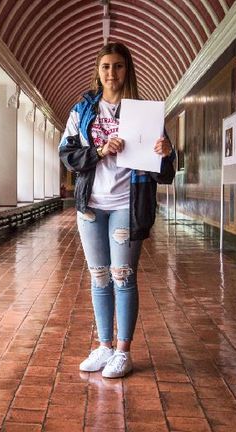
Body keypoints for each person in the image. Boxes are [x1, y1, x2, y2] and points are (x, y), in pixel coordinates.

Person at [58, 42, 175, 378]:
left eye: (119, 66)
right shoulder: (82, 110)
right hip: (91, 205)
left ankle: (123, 351)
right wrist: (98, 149)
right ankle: (104, 346)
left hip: (128, 203)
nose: (112, 73)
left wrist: (166, 153)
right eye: (106, 66)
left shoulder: (144, 113)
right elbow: (66, 154)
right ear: (98, 70)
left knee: (122, 276)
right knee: (98, 277)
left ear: (128, 70)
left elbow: (165, 172)